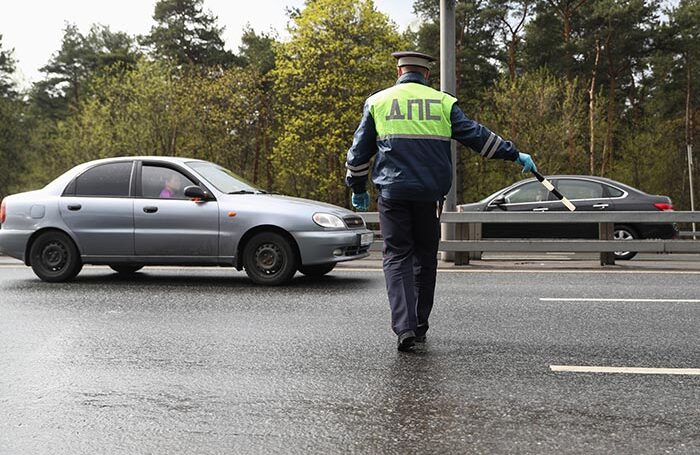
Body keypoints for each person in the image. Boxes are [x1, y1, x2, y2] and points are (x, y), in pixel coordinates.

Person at [345, 51, 537, 352]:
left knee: (397, 257)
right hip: (429, 196)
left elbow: (358, 153)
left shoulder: (378, 101)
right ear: (427, 76)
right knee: (424, 258)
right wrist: (514, 154)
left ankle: (404, 327)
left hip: (393, 195)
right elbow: (479, 138)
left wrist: (357, 186)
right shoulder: (443, 103)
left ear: (399, 73)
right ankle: (419, 326)